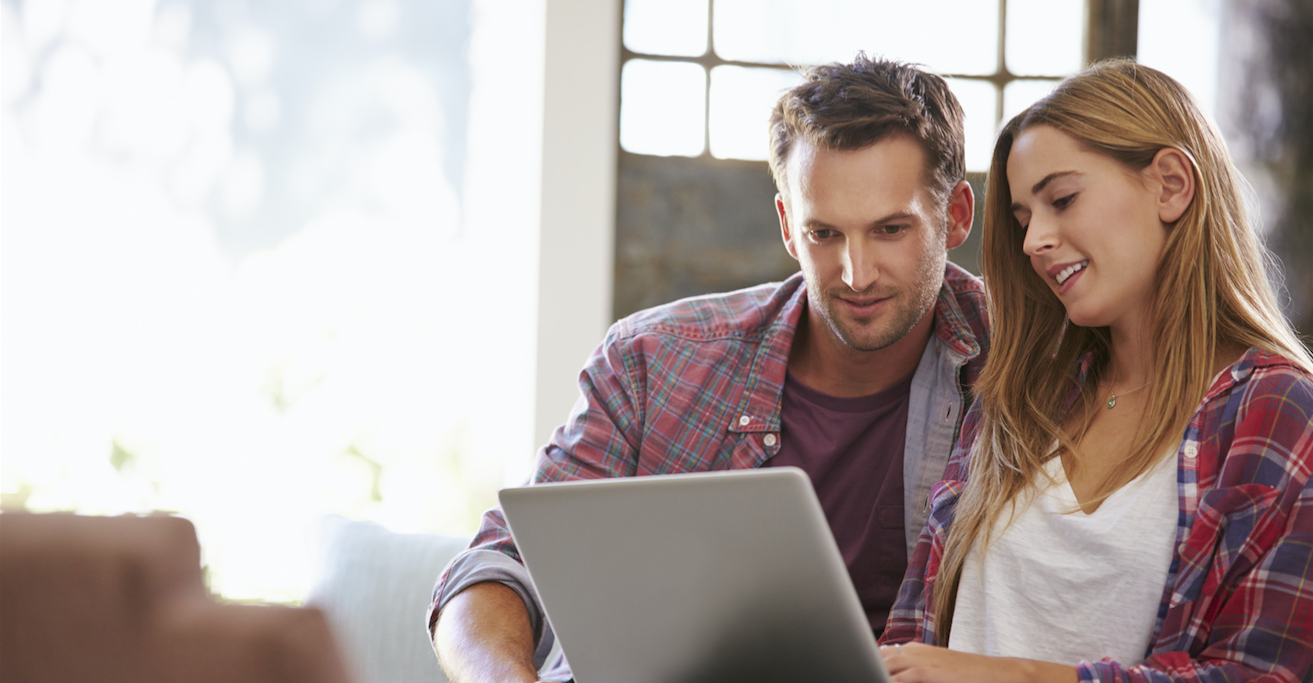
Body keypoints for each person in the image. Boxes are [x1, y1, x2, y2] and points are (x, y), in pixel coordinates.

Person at [429, 55, 988, 683]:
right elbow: (499, 564)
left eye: (890, 229)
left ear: (956, 215)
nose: (856, 274)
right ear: (786, 227)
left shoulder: (1024, 367)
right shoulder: (651, 360)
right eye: (825, 234)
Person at [878, 60, 1313, 683]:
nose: (1032, 242)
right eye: (1025, 219)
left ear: (1170, 185)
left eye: (1062, 199)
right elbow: (914, 636)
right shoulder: (1017, 401)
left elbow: (1259, 675)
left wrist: (1017, 676)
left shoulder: (1279, 413)